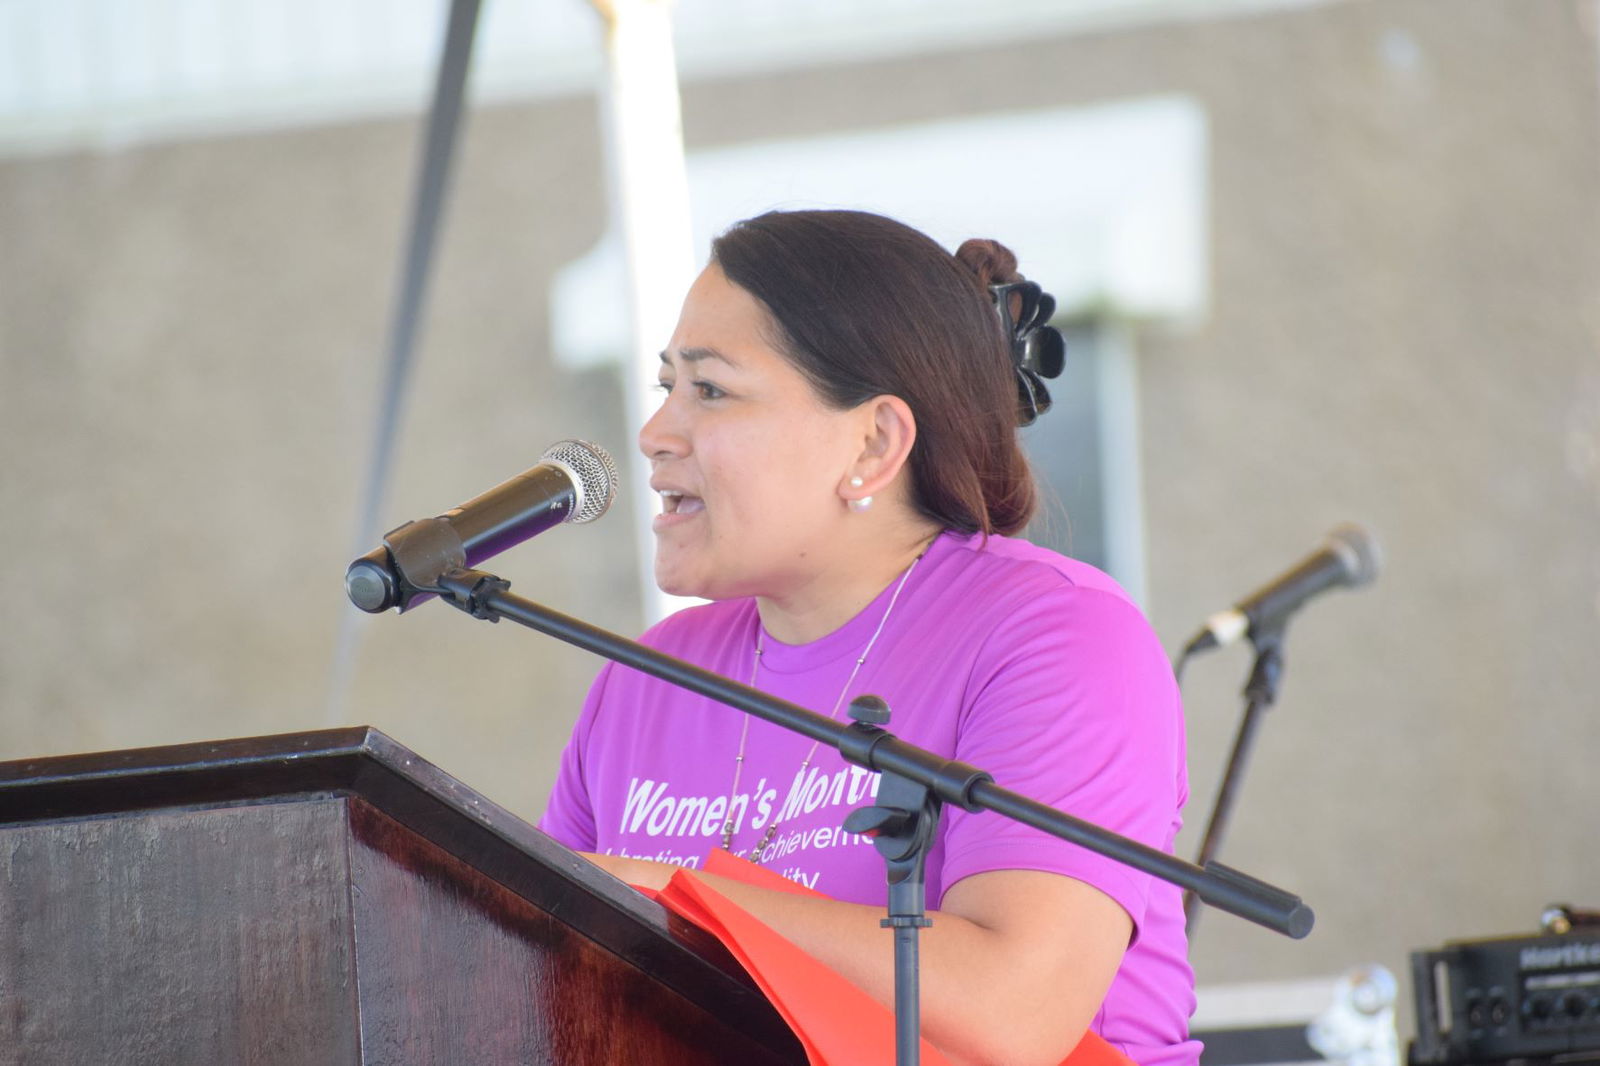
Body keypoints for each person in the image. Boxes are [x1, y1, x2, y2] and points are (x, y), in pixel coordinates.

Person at [539, 209, 1198, 1066]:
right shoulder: (649, 679)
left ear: (874, 443)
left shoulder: (1057, 633)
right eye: (668, 386)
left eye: (710, 390)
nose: (655, 434)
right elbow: (538, 977)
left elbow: (1013, 1013)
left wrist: (676, 892)